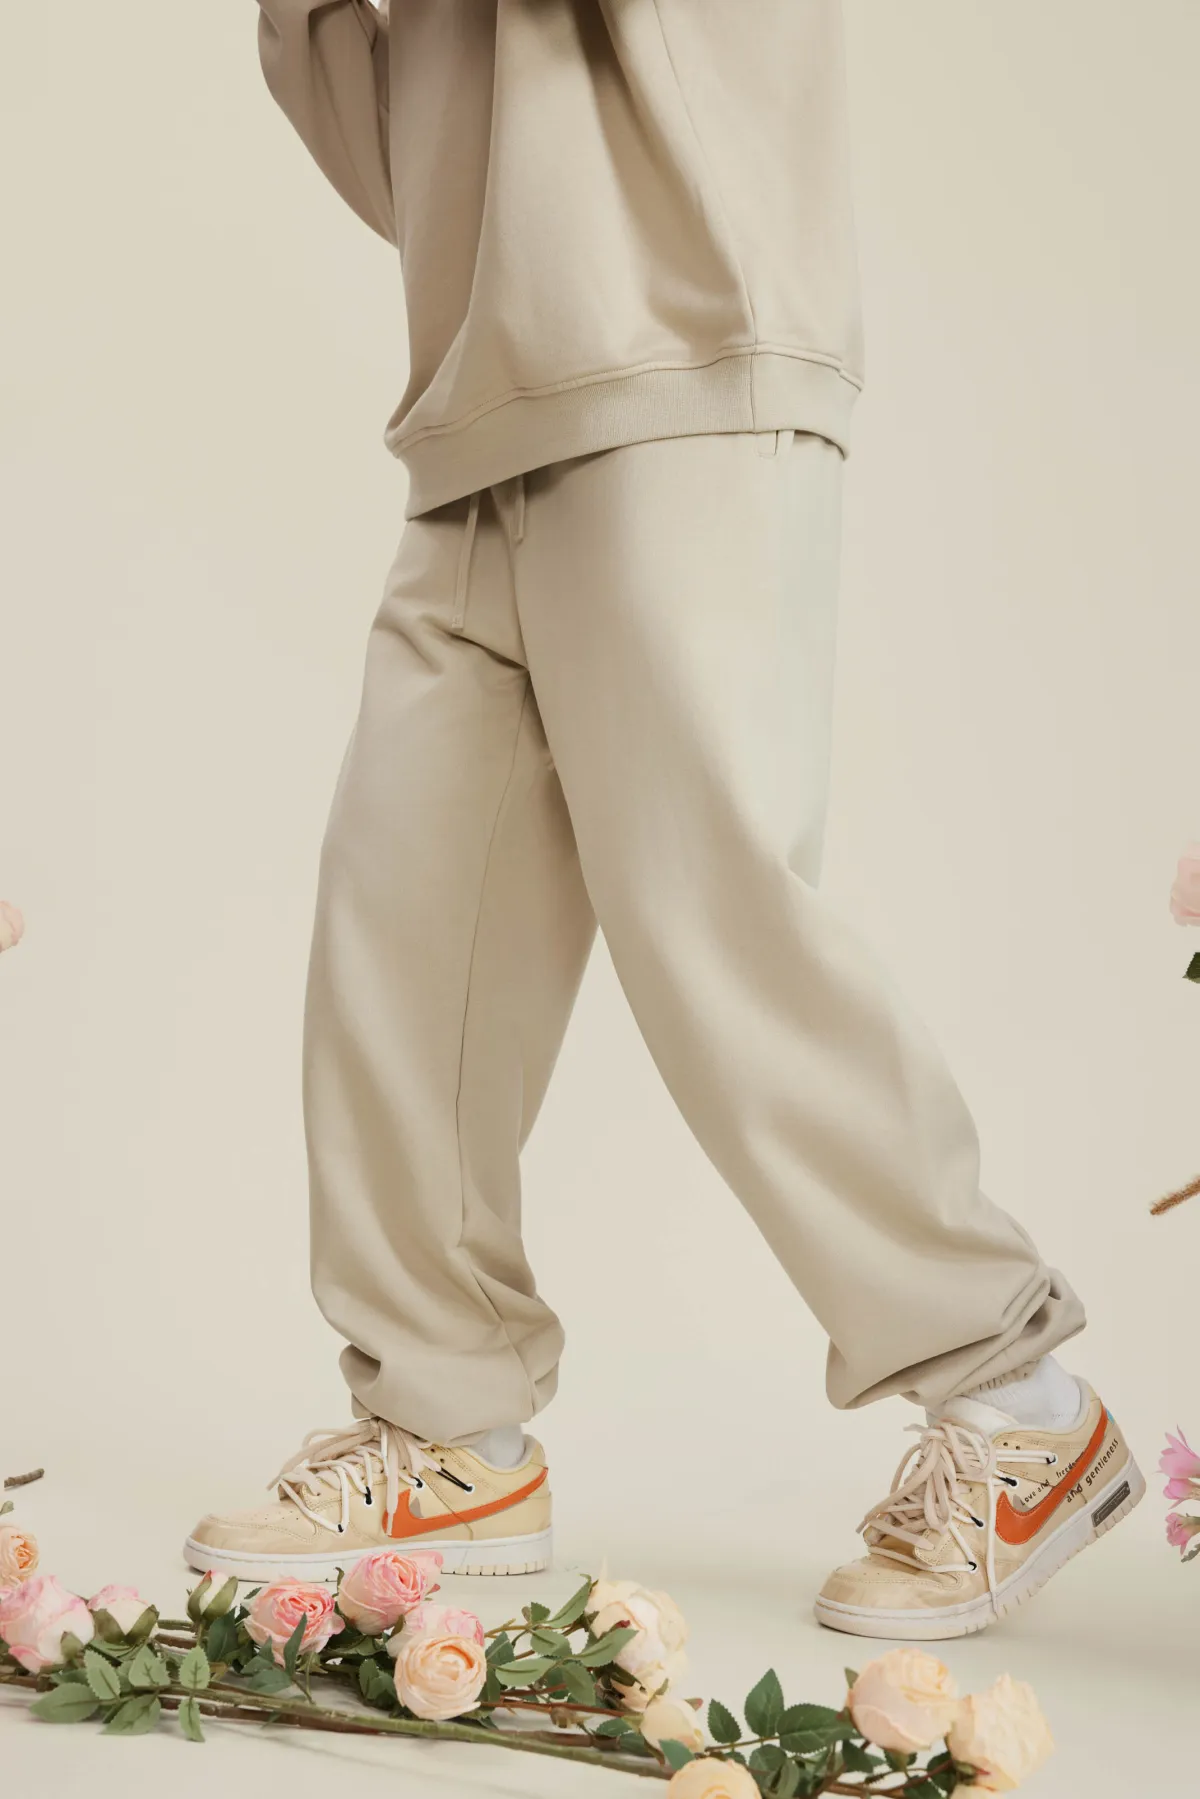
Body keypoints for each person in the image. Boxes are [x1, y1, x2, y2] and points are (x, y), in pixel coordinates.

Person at [186, 0, 1143, 1639]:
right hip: (483, 401)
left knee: (713, 920)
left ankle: (1017, 1396)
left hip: (685, 353)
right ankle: (446, 1426)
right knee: (403, 930)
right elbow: (382, 131)